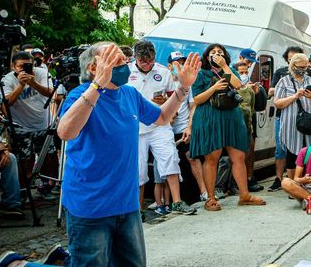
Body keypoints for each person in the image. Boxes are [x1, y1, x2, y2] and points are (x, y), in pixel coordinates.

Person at [56, 42, 199, 265]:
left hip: (127, 205)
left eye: (125, 59)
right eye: (116, 60)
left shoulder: (129, 94)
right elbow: (65, 132)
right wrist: (97, 86)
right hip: (90, 206)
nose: (125, 64)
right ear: (93, 68)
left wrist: (183, 87)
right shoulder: (80, 95)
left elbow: (162, 117)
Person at [190, 44, 265, 211]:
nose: (217, 54)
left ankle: (244, 195)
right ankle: (210, 198)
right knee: (212, 158)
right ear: (207, 56)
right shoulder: (201, 73)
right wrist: (214, 88)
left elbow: (238, 86)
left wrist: (225, 67)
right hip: (210, 117)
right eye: (213, 52)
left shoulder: (229, 70)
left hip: (231, 117)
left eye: (220, 52)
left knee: (239, 156)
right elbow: (197, 99)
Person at [129, 41, 196, 216]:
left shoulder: (163, 72)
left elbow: (174, 98)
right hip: (135, 127)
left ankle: (177, 202)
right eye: (143, 61)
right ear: (135, 58)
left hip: (159, 124)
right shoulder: (127, 71)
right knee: (138, 168)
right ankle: (138, 209)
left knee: (170, 158)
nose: (147, 64)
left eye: (150, 60)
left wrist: (165, 101)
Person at [0, 51, 55, 199]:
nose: (25, 69)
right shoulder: (7, 80)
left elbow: (51, 93)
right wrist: (21, 85)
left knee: (48, 157)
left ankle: (46, 187)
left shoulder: (41, 73)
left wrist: (33, 83)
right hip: (20, 126)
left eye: (29, 65)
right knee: (24, 160)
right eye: (21, 66)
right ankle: (23, 190)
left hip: (43, 123)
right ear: (13, 67)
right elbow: (6, 103)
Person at [273, 53, 311, 179]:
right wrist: (294, 96)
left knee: (308, 153)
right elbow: (277, 103)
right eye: (299, 67)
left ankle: (306, 181)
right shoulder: (284, 81)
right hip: (290, 124)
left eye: (305, 67)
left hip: (307, 124)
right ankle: (293, 183)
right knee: (291, 155)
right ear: (292, 65)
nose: (302, 70)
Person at [168, 52, 207, 202]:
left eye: (182, 62)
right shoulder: (164, 81)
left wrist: (189, 127)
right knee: (167, 163)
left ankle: (204, 192)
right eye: (176, 62)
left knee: (192, 157)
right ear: (169, 66)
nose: (180, 65)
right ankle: (165, 200)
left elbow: (193, 106)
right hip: (165, 130)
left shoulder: (187, 84)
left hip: (183, 128)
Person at [267, 45, 303, 192]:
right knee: (281, 149)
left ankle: (298, 179)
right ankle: (279, 179)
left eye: (296, 58)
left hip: (301, 117)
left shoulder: (307, 74)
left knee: (300, 148)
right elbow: (270, 91)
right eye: (290, 58)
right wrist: (287, 89)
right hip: (282, 116)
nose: (293, 61)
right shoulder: (280, 73)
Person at [233, 59, 264, 192]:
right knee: (238, 155)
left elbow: (258, 107)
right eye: (241, 73)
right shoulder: (230, 87)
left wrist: (257, 93)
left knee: (250, 152)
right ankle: (235, 183)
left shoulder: (251, 88)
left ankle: (249, 178)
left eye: (246, 72)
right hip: (235, 125)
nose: (244, 75)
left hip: (249, 125)